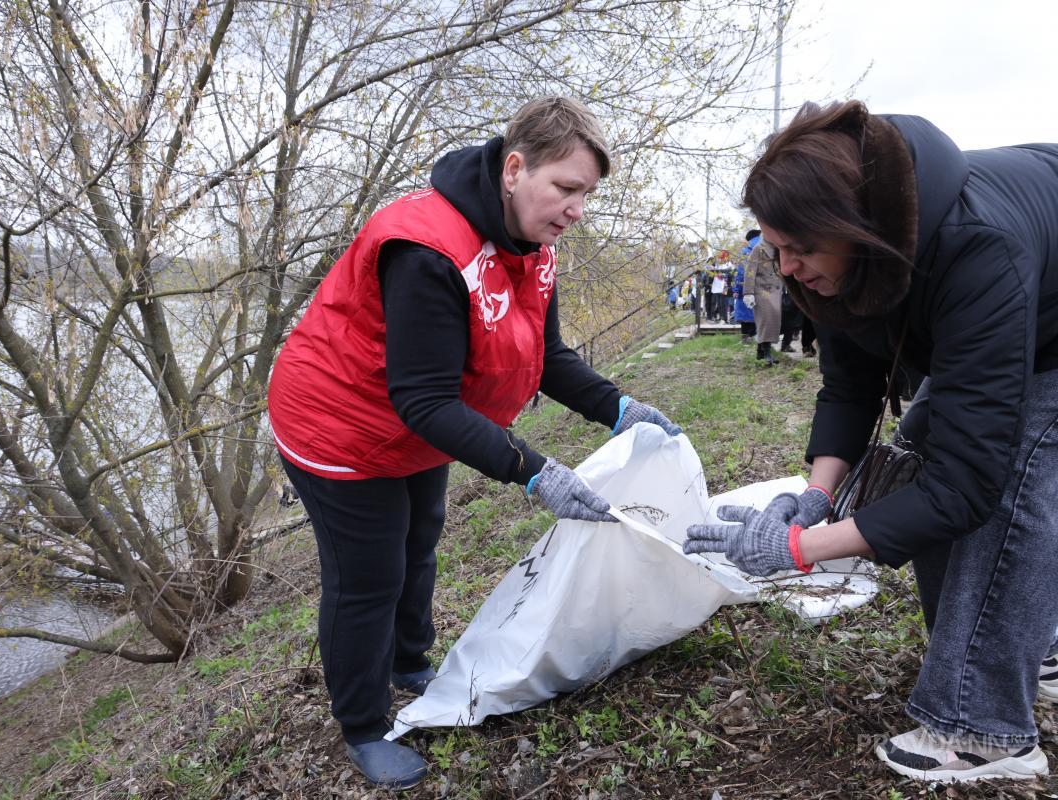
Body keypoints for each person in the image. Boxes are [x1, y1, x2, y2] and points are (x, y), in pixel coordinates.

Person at [267, 97, 681, 789]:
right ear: (515, 168)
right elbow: (422, 397)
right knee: (368, 574)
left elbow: (546, 357)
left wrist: (620, 409)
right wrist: (537, 473)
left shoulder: (534, 246)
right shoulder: (426, 248)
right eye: (567, 188)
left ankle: (408, 661)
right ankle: (364, 726)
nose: (577, 209)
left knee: (419, 537)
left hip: (419, 424)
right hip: (338, 422)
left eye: (588, 195)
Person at [683, 100, 1058, 783]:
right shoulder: (842, 252)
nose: (787, 269)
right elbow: (851, 386)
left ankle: (986, 728)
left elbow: (968, 485)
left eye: (800, 250)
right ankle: (1026, 641)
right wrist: (816, 499)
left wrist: (796, 553)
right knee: (916, 453)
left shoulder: (979, 249)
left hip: (1048, 326)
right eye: (775, 249)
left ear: (856, 230)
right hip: (1004, 315)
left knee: (1011, 481)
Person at [743, 228, 782, 364]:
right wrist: (748, 293)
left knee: (772, 320)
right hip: (761, 291)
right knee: (766, 320)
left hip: (775, 290)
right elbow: (750, 272)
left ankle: (761, 351)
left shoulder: (778, 248)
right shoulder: (758, 249)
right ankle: (766, 352)